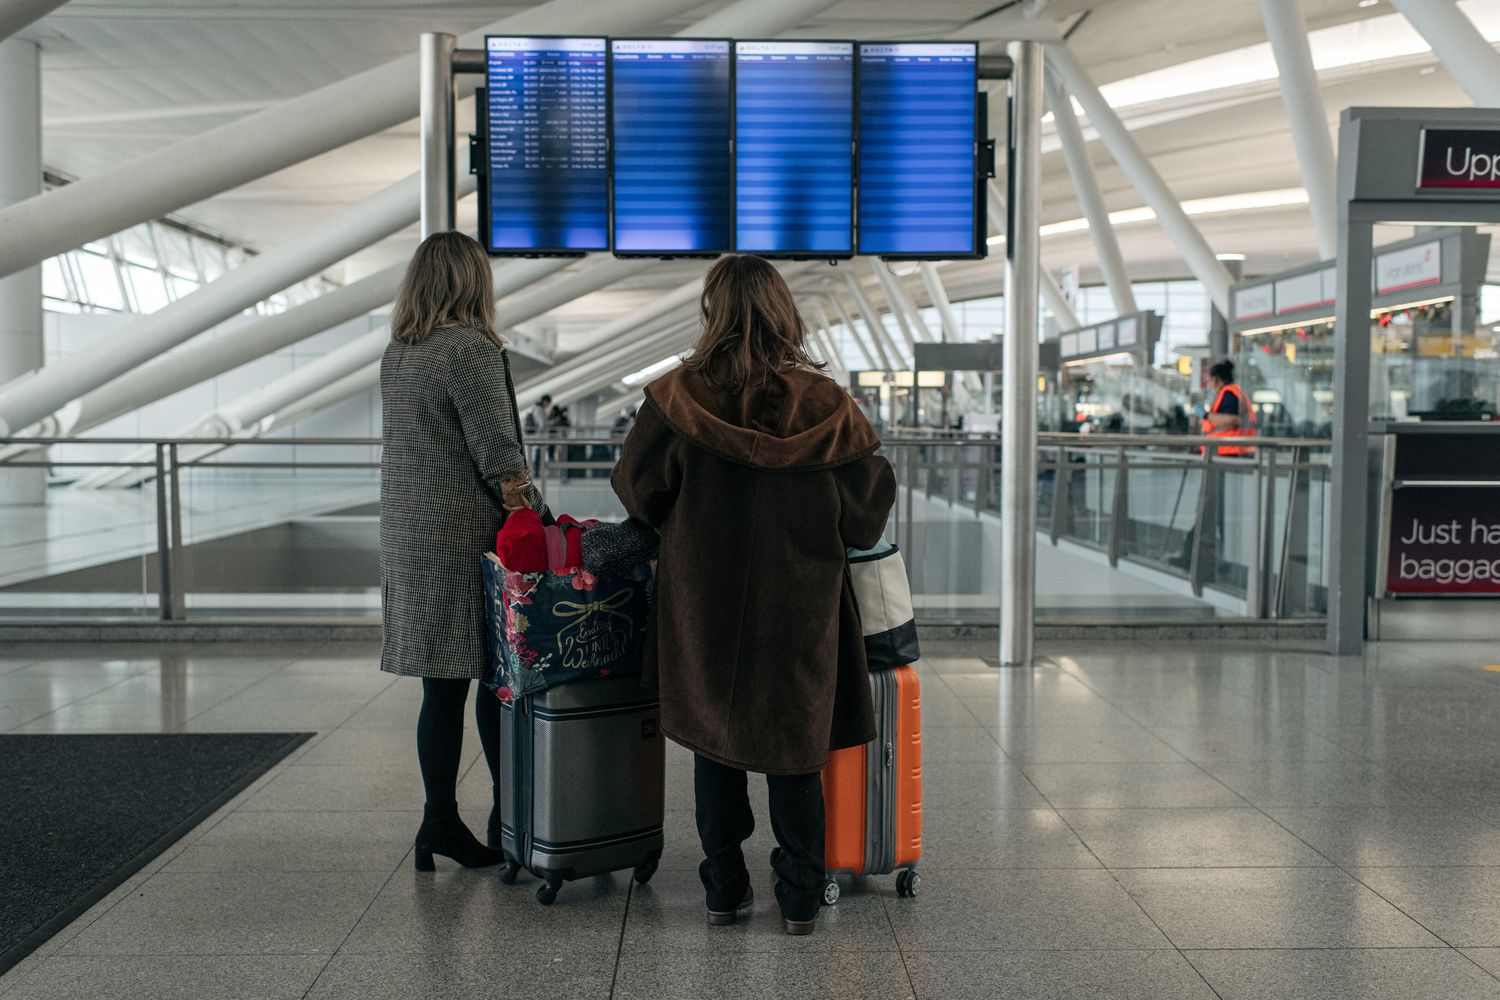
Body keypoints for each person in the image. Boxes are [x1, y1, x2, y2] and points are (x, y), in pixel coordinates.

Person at [612, 255, 896, 936]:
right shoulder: (830, 409)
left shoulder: (675, 400)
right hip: (800, 606)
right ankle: (799, 898)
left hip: (703, 605)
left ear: (713, 312)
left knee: (718, 744)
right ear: (783, 313)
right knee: (795, 751)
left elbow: (640, 493)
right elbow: (865, 518)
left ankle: (724, 889)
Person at [379, 231, 546, 871]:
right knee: (497, 679)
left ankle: (438, 822)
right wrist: (535, 514)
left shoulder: (401, 351)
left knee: (440, 688)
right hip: (462, 538)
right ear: (474, 282)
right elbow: (500, 455)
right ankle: (508, 817)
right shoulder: (469, 350)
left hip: (409, 535)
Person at [1202, 358, 1256, 456]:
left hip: (1229, 449)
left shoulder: (1229, 394)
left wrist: (1206, 415)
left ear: (1216, 379)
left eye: (1210, 380)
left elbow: (1234, 420)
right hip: (1233, 448)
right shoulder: (1233, 392)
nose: (1210, 384)